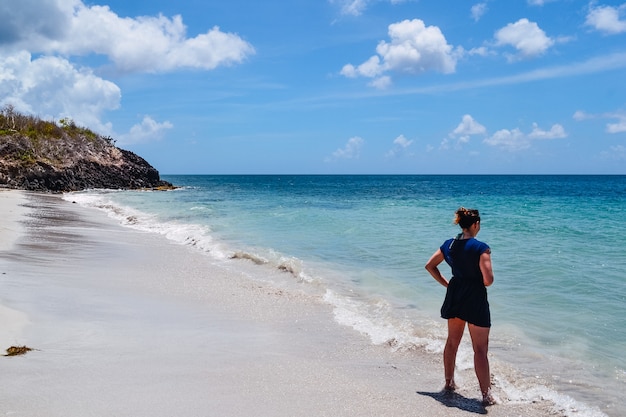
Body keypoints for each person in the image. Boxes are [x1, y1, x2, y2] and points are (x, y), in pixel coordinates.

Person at [424, 207, 496, 406]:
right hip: (475, 297)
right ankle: (486, 396)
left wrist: (448, 284)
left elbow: (430, 265)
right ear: (476, 225)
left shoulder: (449, 245)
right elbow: (488, 280)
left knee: (452, 342)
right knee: (480, 350)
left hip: (455, 295)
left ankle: (449, 383)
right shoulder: (481, 248)